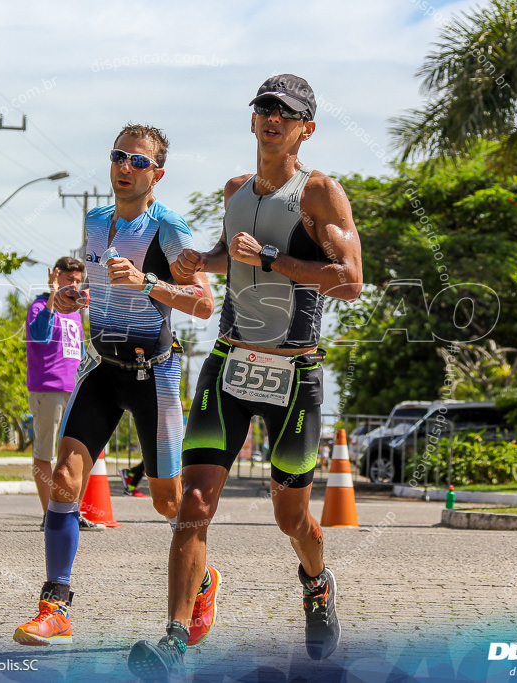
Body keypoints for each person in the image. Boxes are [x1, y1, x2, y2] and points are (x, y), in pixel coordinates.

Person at [128, 75, 363, 675]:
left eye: (285, 113)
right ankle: (175, 638)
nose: (271, 118)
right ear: (253, 120)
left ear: (306, 127)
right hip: (229, 364)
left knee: (291, 519)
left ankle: (316, 578)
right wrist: (196, 262)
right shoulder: (235, 189)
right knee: (195, 503)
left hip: (294, 375)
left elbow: (351, 281)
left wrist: (274, 260)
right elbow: (231, 255)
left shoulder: (322, 195)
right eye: (263, 108)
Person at [14, 123, 219, 648]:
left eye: (139, 161)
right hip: (101, 367)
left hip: (155, 374)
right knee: (64, 479)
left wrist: (147, 283)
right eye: (118, 157)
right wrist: (69, 299)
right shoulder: (96, 221)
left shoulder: (168, 227)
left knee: (168, 504)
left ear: (158, 173)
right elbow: (97, 288)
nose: (125, 167)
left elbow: (203, 302)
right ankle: (55, 604)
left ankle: (202, 579)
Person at [25, 256, 101, 531]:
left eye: (78, 281)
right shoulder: (38, 306)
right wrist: (53, 296)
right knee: (45, 453)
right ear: (57, 278)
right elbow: (40, 336)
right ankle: (50, 515)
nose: (75, 286)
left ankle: (70, 512)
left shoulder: (75, 313)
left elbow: (79, 351)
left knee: (77, 453)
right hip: (48, 388)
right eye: (69, 280)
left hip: (74, 388)